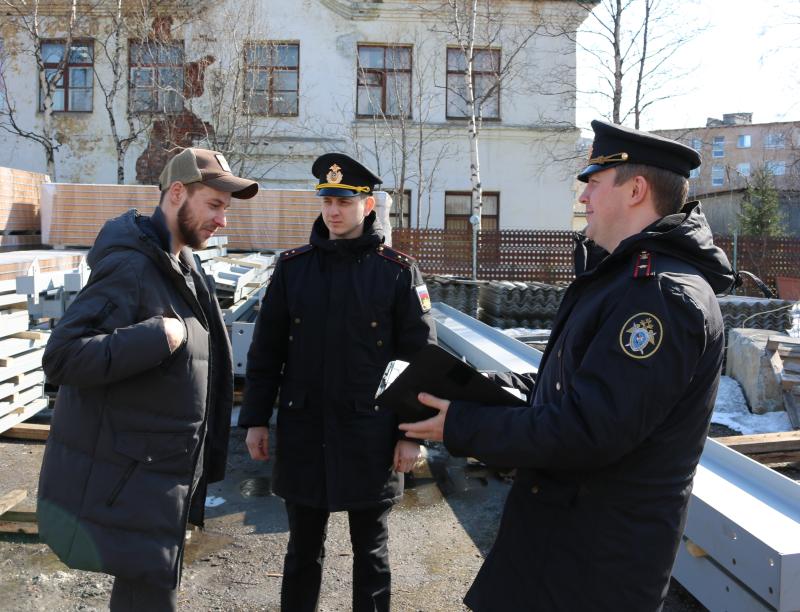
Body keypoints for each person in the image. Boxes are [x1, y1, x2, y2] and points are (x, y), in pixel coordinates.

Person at [401, 120, 736, 611]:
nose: (583, 200)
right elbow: (567, 386)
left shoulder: (661, 297)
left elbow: (589, 428)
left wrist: (464, 425)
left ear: (636, 190)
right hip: (561, 542)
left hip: (597, 566)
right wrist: (472, 387)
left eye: (594, 184)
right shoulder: (620, 278)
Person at [37, 147, 258, 611]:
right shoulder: (132, 267)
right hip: (137, 482)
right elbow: (62, 358)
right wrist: (156, 336)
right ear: (176, 193)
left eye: (225, 209)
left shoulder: (180, 265)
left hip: (160, 482)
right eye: (214, 205)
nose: (222, 221)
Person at [239, 152, 436, 612]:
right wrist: (255, 420)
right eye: (327, 200)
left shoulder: (396, 272)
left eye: (345, 201)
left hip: (371, 435)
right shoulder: (293, 269)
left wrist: (413, 435)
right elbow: (266, 353)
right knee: (301, 552)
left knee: (371, 554)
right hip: (304, 431)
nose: (333, 211)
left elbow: (419, 361)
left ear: (368, 206)